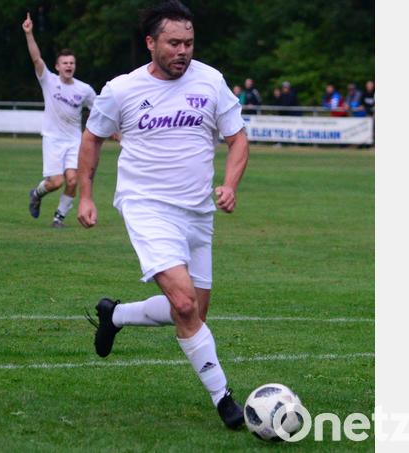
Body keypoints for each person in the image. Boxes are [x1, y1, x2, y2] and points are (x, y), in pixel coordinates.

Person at [78, 0, 250, 430]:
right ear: (150, 43)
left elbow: (238, 138)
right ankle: (225, 399)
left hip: (198, 213)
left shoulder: (211, 81)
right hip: (147, 207)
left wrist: (230, 185)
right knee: (184, 303)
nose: (183, 51)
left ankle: (115, 315)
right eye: (173, 43)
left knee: (193, 314)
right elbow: (92, 138)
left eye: (188, 42)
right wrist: (86, 196)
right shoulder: (121, 89)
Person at [23, 12, 97, 228]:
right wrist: (29, 33)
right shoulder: (49, 81)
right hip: (53, 139)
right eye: (64, 63)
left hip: (74, 140)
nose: (68, 66)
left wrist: (114, 131)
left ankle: (59, 218)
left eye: (71, 63)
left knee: (73, 180)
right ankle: (37, 194)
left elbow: (100, 111)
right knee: (56, 182)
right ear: (57, 66)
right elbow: (36, 59)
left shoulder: (84, 89)